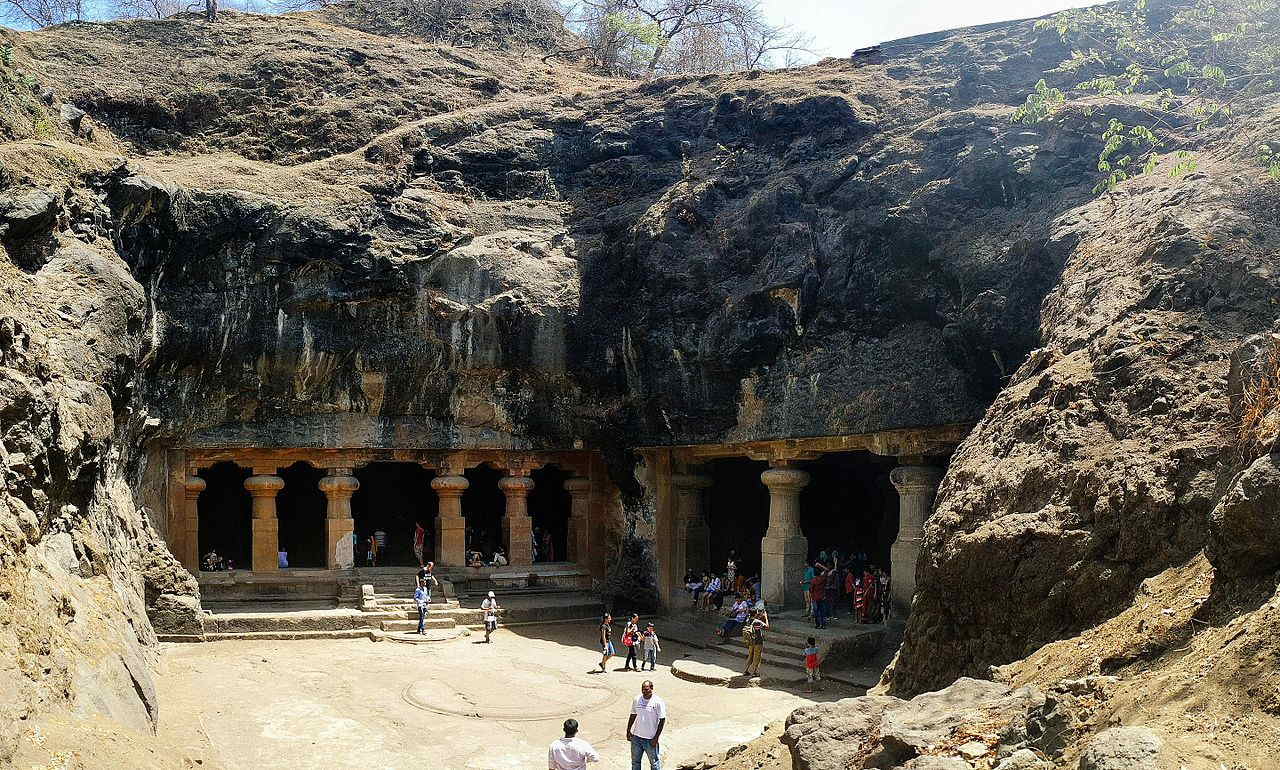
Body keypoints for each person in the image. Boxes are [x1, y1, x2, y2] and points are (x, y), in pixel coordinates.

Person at [626, 680, 666, 770]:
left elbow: (662, 720)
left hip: (650, 739)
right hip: (636, 738)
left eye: (647, 689)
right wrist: (628, 731)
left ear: (652, 688)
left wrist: (656, 738)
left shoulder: (658, 702)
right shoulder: (637, 699)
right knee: (635, 762)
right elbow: (633, 714)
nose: (644, 692)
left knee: (654, 764)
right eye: (643, 689)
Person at [810, 563, 828, 629]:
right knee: (822, 611)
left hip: (815, 597)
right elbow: (827, 570)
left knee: (816, 612)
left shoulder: (813, 580)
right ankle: (823, 625)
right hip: (822, 597)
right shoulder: (823, 579)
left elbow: (811, 589)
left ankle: (817, 624)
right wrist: (820, 565)